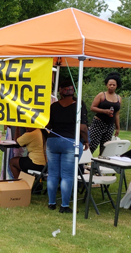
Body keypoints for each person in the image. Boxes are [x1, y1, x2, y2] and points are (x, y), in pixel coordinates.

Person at [45, 80, 89, 213]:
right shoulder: (79, 105)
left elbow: (49, 125)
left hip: (53, 141)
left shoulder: (54, 106)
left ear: (60, 91)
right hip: (70, 142)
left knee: (52, 174)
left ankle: (51, 203)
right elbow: (82, 127)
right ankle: (64, 206)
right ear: (73, 91)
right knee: (67, 175)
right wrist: (86, 141)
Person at [88, 72, 122, 155]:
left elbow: (117, 114)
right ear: (106, 85)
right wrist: (104, 111)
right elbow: (92, 108)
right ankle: (83, 164)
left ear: (117, 86)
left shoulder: (119, 98)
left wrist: (117, 128)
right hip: (98, 124)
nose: (111, 86)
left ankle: (100, 165)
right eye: (110, 84)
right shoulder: (101, 95)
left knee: (105, 148)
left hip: (110, 126)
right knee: (92, 145)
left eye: (114, 85)